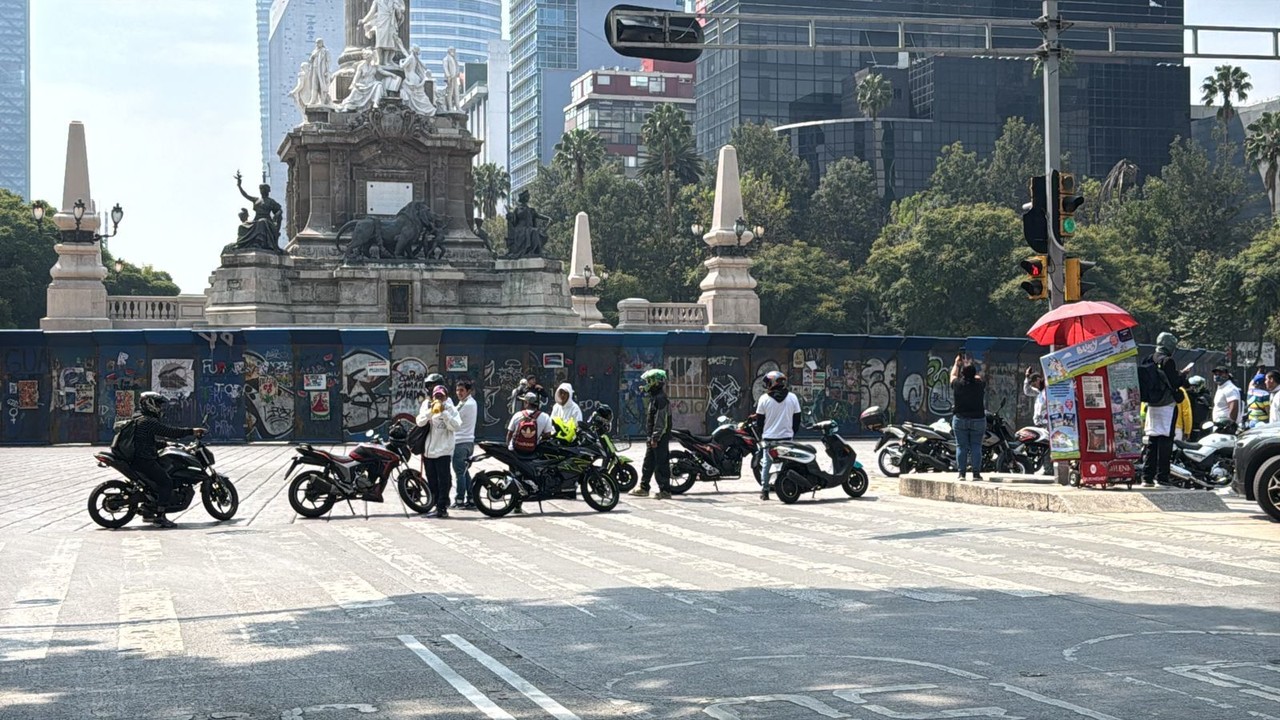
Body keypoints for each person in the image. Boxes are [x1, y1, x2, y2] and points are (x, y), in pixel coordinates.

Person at [117, 391, 205, 529]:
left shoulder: (139, 419)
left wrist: (165, 444)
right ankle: (160, 516)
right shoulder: (148, 421)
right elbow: (171, 432)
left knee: (159, 479)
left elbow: (146, 441)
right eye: (158, 404)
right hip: (145, 460)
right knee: (166, 482)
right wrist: (191, 431)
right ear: (149, 404)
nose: (160, 408)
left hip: (139, 459)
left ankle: (148, 511)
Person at [1142, 332, 1189, 487]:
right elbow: (1174, 383)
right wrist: (1183, 375)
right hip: (1167, 405)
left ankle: (1147, 477)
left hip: (1152, 405)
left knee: (1152, 440)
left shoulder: (1148, 359)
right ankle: (1162, 477)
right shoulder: (1168, 361)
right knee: (1166, 442)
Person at [753, 370, 801, 501]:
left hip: (769, 439)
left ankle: (765, 491)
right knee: (789, 463)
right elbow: (797, 419)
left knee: (766, 464)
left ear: (772, 382)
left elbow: (759, 421)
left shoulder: (763, 399)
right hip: (786, 438)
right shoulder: (793, 397)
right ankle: (789, 485)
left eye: (768, 382)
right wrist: (791, 432)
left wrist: (762, 434)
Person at [416, 385, 460, 518]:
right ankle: (435, 504)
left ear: (446, 397)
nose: (439, 398)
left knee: (444, 480)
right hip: (429, 451)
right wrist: (431, 412)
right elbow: (419, 422)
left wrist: (445, 414)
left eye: (441, 396)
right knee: (432, 480)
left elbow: (456, 426)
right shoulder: (427, 405)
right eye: (437, 396)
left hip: (444, 451)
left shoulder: (450, 408)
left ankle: (442, 506)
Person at [630, 369, 673, 499]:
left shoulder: (661, 399)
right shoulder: (655, 398)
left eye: (648, 381)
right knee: (648, 463)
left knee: (661, 464)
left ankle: (665, 490)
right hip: (653, 437)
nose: (646, 384)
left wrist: (655, 437)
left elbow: (661, 420)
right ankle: (644, 487)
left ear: (655, 382)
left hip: (659, 438)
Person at [950, 354, 985, 482]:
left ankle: (961, 474)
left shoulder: (958, 384)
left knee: (961, 447)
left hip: (960, 419)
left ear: (962, 375)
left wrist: (957, 364)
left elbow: (952, 376)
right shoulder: (979, 385)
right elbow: (978, 378)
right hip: (978, 419)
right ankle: (976, 474)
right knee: (976, 446)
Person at [233, 171, 283, 252]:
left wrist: (277, 215)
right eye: (260, 189)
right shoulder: (256, 200)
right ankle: (241, 244)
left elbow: (279, 210)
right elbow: (245, 195)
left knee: (261, 222)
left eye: (263, 189)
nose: (261, 190)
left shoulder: (271, 201)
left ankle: (260, 243)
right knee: (243, 226)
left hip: (267, 221)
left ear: (267, 190)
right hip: (256, 220)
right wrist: (239, 185)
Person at [451, 378, 477, 510]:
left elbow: (452, 419)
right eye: (457, 390)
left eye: (462, 390)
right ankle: (471, 498)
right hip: (468, 442)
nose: (458, 393)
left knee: (459, 473)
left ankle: (459, 500)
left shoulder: (467, 405)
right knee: (465, 472)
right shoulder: (467, 402)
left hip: (460, 442)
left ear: (468, 391)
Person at [398, 46, 437, 116]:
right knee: (418, 94)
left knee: (413, 94)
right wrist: (399, 44)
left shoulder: (410, 57)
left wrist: (400, 61)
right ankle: (426, 108)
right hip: (416, 77)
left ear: (412, 50)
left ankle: (415, 109)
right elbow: (404, 52)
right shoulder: (415, 58)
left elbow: (402, 66)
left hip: (411, 78)